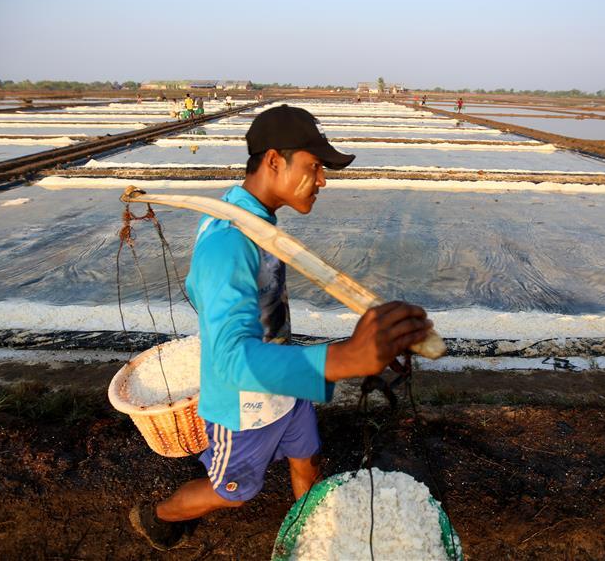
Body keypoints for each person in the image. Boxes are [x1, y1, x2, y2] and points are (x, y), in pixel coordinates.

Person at [128, 105, 432, 551]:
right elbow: (231, 360)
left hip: (286, 386)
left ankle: (316, 544)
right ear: (274, 160)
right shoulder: (228, 244)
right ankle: (157, 517)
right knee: (232, 492)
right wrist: (347, 357)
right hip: (244, 403)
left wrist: (371, 345)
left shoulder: (256, 221)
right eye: (314, 167)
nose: (323, 180)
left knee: (307, 462)